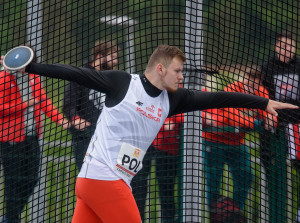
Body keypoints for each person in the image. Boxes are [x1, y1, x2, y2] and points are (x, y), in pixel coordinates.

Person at [0, 44, 297, 223]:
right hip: (105, 180)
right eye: (178, 71)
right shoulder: (121, 83)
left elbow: (220, 98)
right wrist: (32, 68)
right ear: (160, 68)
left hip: (95, 183)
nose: (182, 77)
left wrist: (264, 103)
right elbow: (74, 73)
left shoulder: (174, 100)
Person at [0, 45, 69, 223]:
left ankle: (9, 217)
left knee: (32, 180)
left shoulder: (34, 78)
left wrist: (61, 121)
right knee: (13, 182)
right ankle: (11, 219)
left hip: (32, 137)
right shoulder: (3, 78)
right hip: (10, 139)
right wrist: (25, 104)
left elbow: (44, 101)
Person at [202, 65, 277, 217]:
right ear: (243, 80)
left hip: (236, 143)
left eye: (254, 85)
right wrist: (257, 123)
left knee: (246, 176)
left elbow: (270, 110)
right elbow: (234, 118)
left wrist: (271, 118)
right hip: (214, 141)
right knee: (214, 180)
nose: (251, 88)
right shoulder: (231, 89)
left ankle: (233, 212)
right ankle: (216, 215)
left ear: (259, 84)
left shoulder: (261, 93)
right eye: (248, 83)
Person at [261, 31, 300, 223]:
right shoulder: (268, 68)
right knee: (275, 175)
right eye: (283, 46)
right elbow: (262, 95)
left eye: (290, 46)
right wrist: (267, 115)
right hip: (276, 129)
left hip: (298, 127)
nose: (287, 50)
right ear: (276, 47)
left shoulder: (299, 66)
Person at [63, 40, 118, 169]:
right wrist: (76, 119)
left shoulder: (112, 78)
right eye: (112, 57)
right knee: (87, 171)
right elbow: (68, 103)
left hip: (107, 135)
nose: (115, 62)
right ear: (99, 56)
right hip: (86, 134)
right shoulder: (82, 74)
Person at [131, 112, 184, 222]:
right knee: (137, 187)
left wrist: (174, 120)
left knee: (166, 191)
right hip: (142, 144)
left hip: (168, 147)